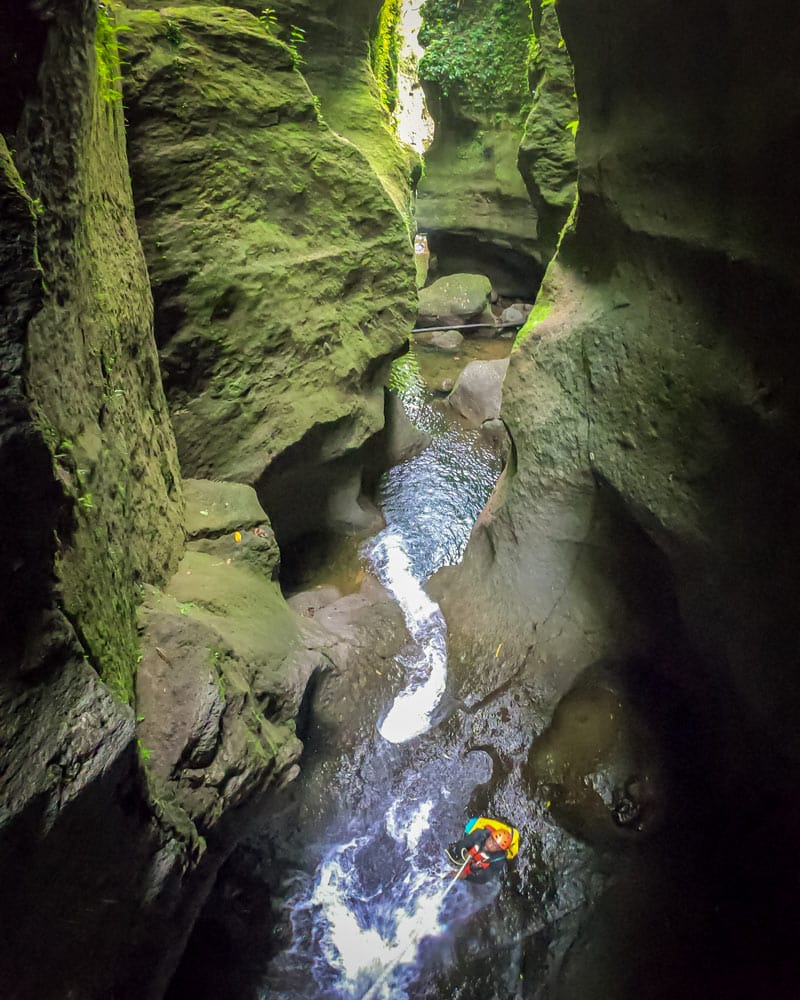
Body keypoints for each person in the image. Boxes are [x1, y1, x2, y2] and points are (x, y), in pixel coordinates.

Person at [445, 820, 515, 883]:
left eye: (495, 846)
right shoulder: (479, 834)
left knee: (474, 870)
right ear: (490, 836)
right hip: (469, 854)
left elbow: (484, 878)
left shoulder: (498, 861)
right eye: (491, 840)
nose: (490, 845)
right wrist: (465, 854)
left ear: (499, 850)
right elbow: (461, 845)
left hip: (476, 866)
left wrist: (465, 876)